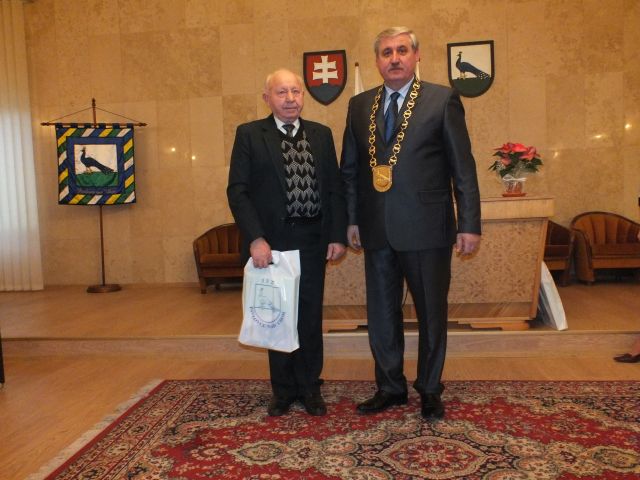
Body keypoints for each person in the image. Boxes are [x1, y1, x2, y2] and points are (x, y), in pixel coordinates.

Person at [340, 27, 482, 421]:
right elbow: (349, 170)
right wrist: (351, 219)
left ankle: (430, 389)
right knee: (382, 314)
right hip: (376, 228)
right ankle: (390, 387)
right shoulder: (358, 105)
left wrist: (469, 222)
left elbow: (463, 167)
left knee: (431, 313)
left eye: (402, 50)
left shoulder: (442, 99)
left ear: (417, 56)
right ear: (377, 61)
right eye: (386, 52)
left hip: (427, 227)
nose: (394, 58)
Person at [227, 69, 347, 417]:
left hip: (313, 240)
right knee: (276, 316)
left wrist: (336, 235)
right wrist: (256, 238)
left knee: (308, 316)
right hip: (272, 245)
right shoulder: (250, 134)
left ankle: (310, 387)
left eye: (296, 91)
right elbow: (237, 191)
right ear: (267, 98)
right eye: (282, 92)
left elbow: (334, 189)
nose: (290, 98)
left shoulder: (321, 135)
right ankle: (282, 390)